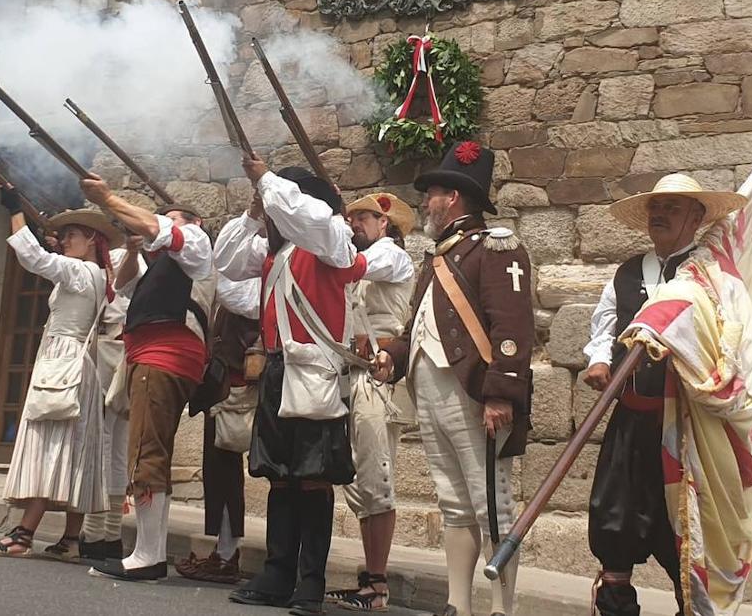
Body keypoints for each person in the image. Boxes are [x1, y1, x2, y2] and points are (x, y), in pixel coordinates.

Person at [372, 141, 535, 616]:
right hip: (431, 392)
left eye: (433, 194)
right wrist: (392, 360)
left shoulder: (496, 248)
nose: (426, 203)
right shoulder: (438, 257)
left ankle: (502, 609)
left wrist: (501, 393)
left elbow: (512, 328)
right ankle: (457, 605)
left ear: (454, 200)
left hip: (473, 393)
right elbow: (416, 327)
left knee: (493, 507)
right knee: (454, 504)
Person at [579, 174, 745, 616]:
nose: (659, 215)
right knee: (614, 516)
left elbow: (734, 341)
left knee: (686, 527)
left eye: (672, 208)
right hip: (631, 421)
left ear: (697, 217)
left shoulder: (713, 276)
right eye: (656, 207)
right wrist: (599, 360)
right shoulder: (629, 272)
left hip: (687, 428)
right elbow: (606, 324)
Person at [215, 158, 365, 616]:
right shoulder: (275, 255)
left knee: (314, 479)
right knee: (280, 476)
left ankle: (310, 582)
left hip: (315, 371)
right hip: (279, 371)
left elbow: (311, 218)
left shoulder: (330, 241)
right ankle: (278, 573)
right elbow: (224, 263)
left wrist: (268, 181)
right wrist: (255, 210)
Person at [79, 178, 215, 582]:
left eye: (172, 218)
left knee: (144, 453)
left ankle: (147, 556)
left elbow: (161, 229)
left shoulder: (194, 240)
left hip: (164, 354)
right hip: (152, 354)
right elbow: (120, 285)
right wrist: (135, 247)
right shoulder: (159, 261)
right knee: (148, 451)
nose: (161, 223)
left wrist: (107, 199)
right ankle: (147, 551)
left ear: (194, 222)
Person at [0, 199, 120, 561]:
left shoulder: (80, 270)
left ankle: (24, 534)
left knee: (49, 447)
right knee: (76, 453)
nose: (65, 239)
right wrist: (60, 250)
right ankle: (71, 540)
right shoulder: (95, 273)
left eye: (72, 234)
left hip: (63, 361)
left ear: (90, 239)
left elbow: (34, 259)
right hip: (79, 365)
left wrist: (14, 209)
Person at [326, 193, 416, 613]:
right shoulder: (360, 261)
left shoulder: (391, 255)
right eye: (352, 217)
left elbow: (357, 264)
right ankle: (369, 577)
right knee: (359, 480)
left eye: (364, 217)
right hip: (352, 374)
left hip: (380, 376)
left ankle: (376, 587)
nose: (355, 223)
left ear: (385, 223)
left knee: (376, 480)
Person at [175, 266, 262, 584]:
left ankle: (227, 556)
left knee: (225, 472)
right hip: (224, 387)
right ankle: (224, 552)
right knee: (219, 472)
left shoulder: (251, 282)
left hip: (236, 389)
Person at [78, 234, 137, 562]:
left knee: (102, 444)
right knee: (116, 449)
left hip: (111, 351)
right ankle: (109, 534)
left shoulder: (113, 262)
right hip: (126, 352)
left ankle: (94, 531)